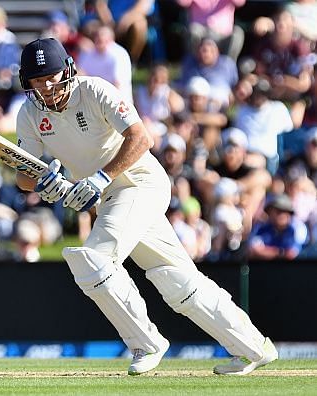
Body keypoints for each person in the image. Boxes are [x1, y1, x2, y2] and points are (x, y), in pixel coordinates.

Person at [15, 37, 277, 375]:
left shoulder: (95, 90)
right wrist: (42, 182)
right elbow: (23, 173)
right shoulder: (30, 114)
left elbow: (141, 138)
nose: (47, 87)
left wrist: (98, 178)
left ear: (67, 69)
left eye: (52, 76)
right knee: (179, 282)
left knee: (94, 259)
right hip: (112, 199)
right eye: (38, 80)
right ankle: (253, 347)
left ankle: (147, 343)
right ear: (27, 82)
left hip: (141, 183)